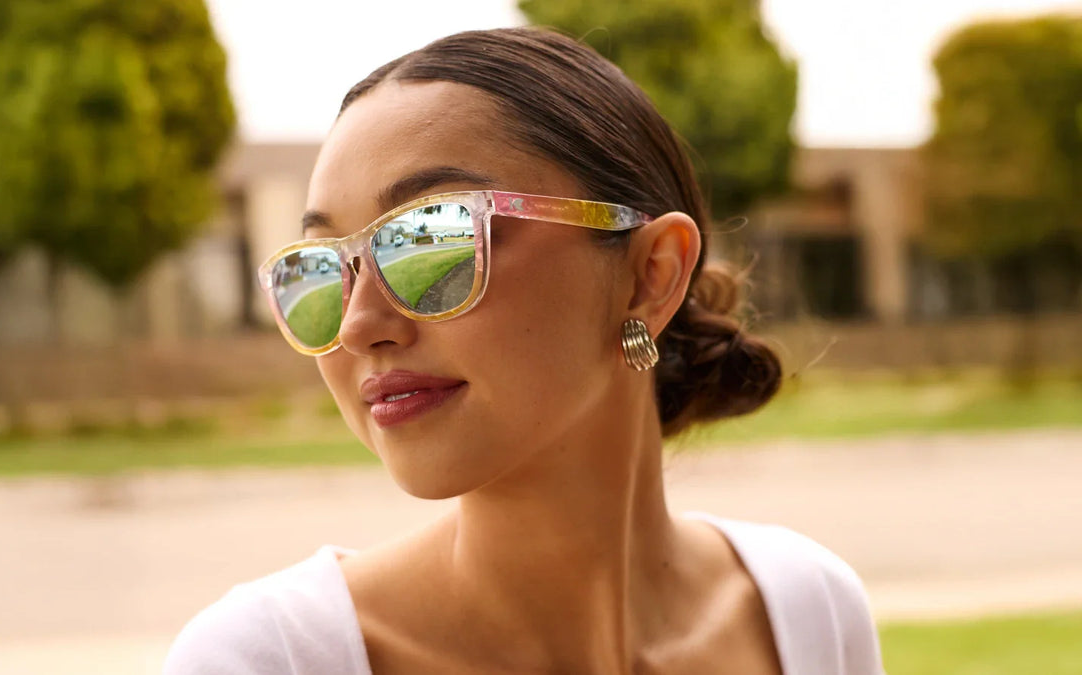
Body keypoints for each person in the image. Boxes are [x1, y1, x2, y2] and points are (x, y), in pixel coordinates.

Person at [165, 27, 884, 675]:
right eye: (320, 269)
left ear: (650, 275)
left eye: (430, 239)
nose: (357, 325)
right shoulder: (268, 660)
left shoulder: (809, 617)